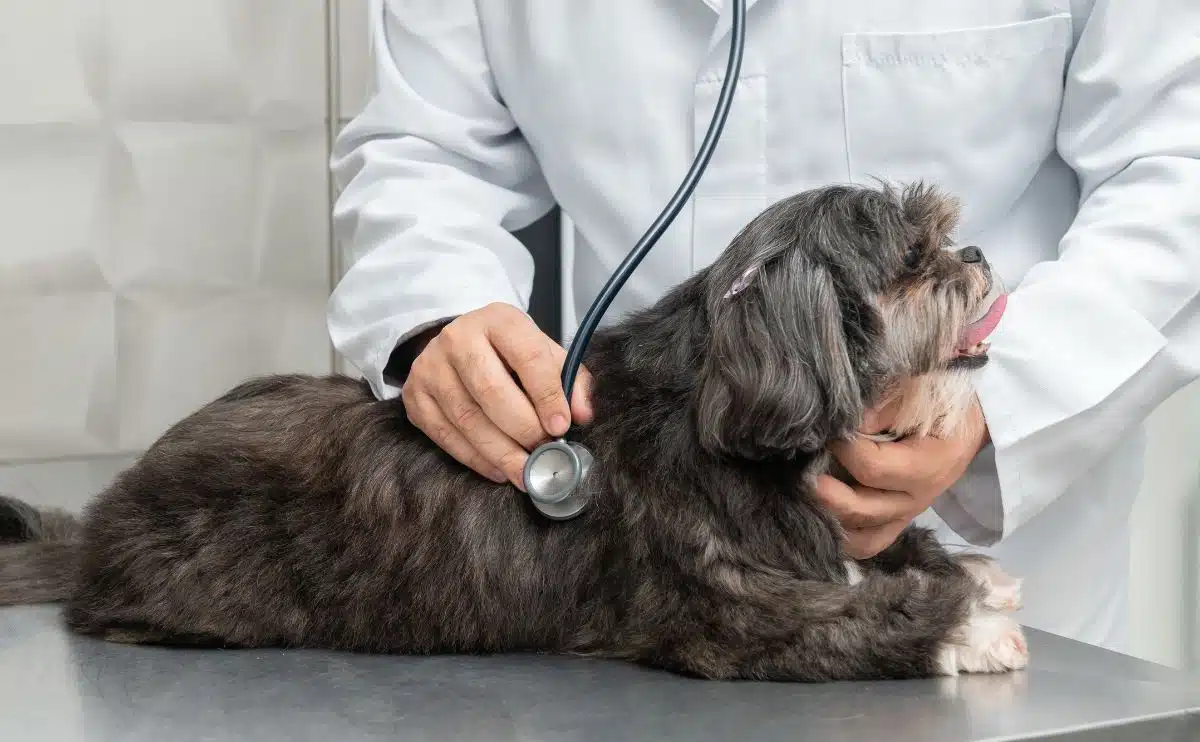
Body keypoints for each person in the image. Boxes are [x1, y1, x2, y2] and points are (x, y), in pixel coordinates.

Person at [327, 0, 1200, 654]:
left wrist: (995, 404)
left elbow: (1177, 162)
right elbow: (426, 148)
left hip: (1002, 553)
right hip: (650, 554)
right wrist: (437, 309)